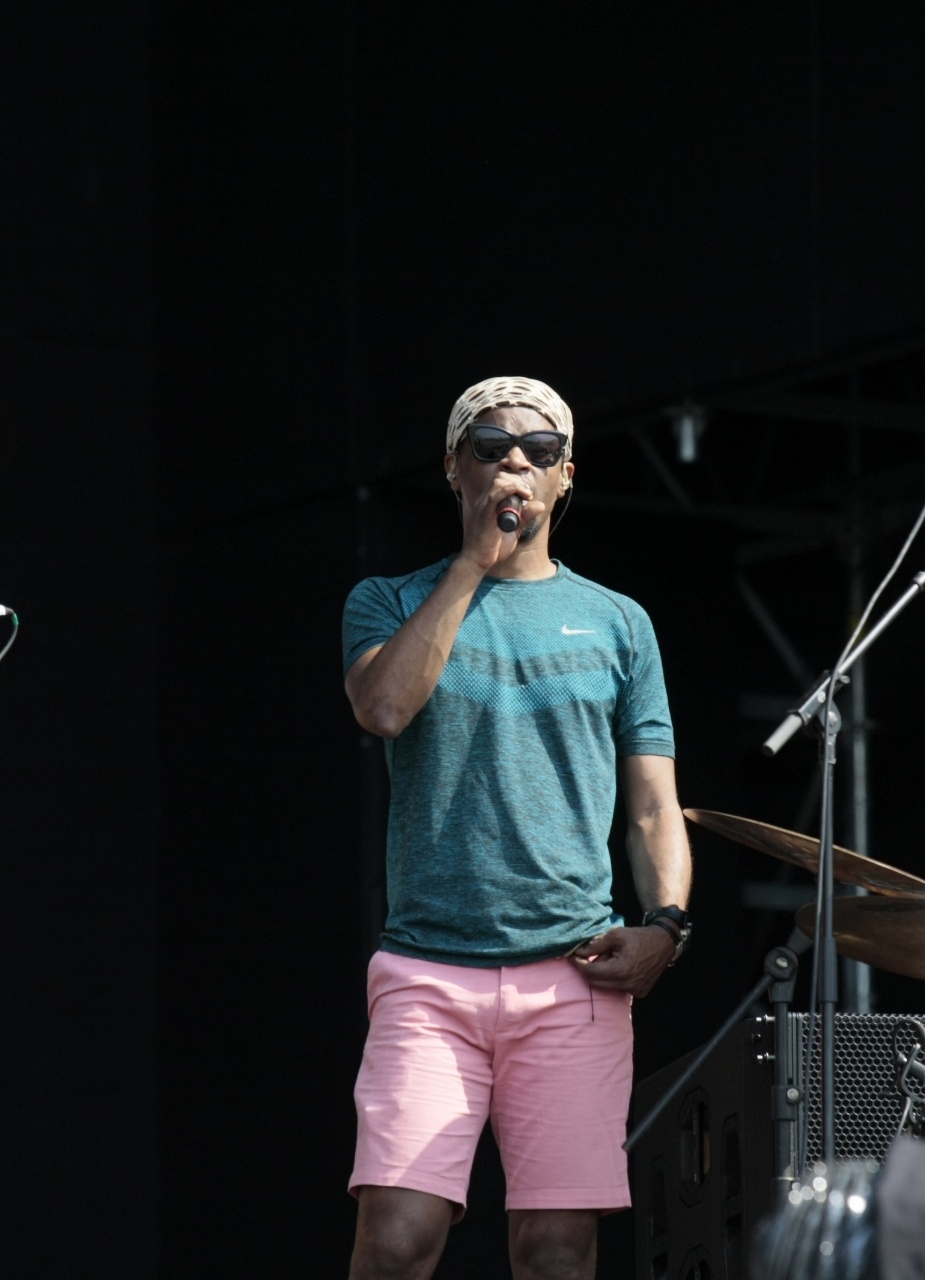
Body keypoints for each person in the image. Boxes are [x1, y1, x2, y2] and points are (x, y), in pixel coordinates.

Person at [342, 377, 693, 1280]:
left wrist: (667, 925)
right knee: (396, 1238)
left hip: (572, 975)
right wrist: (471, 564)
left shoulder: (620, 623)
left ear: (566, 475)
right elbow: (383, 708)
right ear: (453, 468)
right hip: (430, 971)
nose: (515, 464)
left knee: (556, 1250)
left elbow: (654, 805)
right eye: (492, 446)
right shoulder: (388, 599)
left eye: (540, 451)